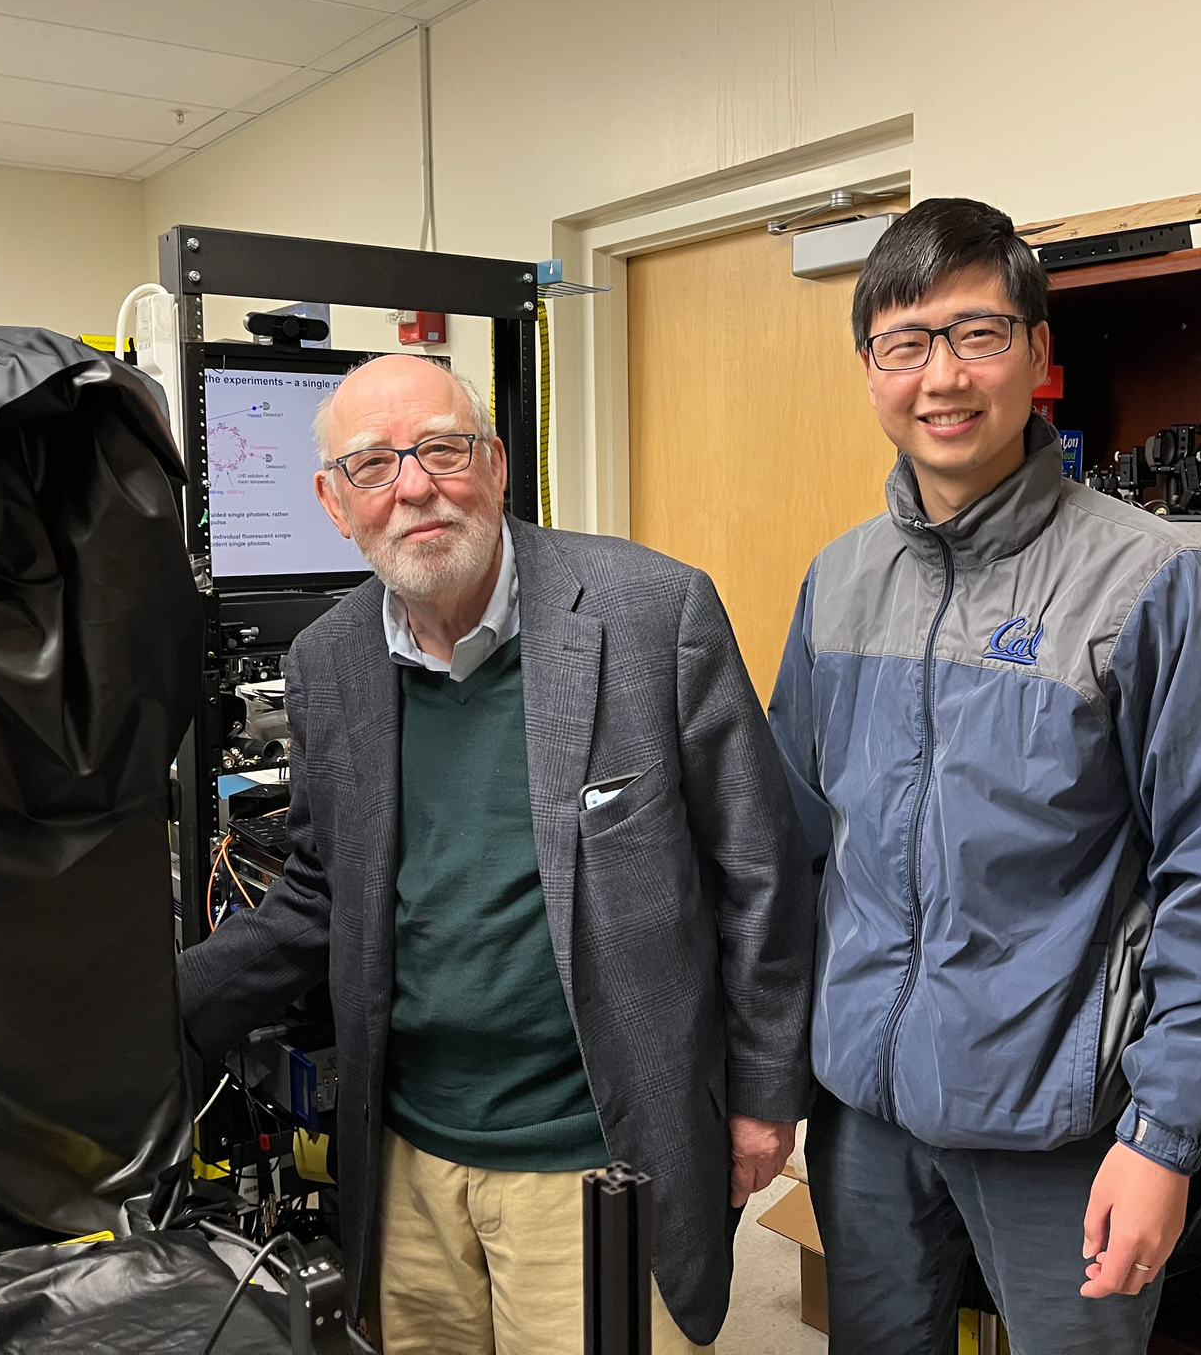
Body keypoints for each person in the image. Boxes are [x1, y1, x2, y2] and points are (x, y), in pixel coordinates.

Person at [177, 353, 815, 1354]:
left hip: (595, 1156)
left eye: (443, 449)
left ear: (497, 462)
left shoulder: (650, 615)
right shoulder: (330, 662)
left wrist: (767, 1096)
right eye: (374, 466)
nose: (416, 487)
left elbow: (760, 872)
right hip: (407, 1163)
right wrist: (151, 1015)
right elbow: (318, 895)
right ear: (334, 503)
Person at [767, 198, 1201, 1354]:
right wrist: (769, 1075)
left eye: (979, 334)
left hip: (1066, 1128)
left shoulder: (1144, 580)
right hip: (866, 1115)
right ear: (870, 371)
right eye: (904, 344)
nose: (941, 378)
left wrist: (1163, 1137)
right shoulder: (840, 582)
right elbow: (792, 846)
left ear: (1039, 357)